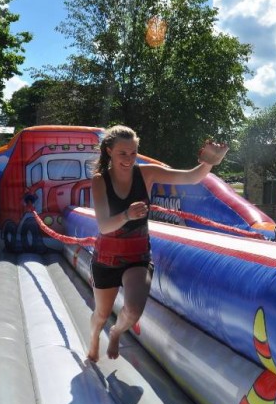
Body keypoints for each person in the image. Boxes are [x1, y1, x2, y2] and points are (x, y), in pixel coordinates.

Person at [87, 125, 228, 361]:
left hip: (137, 256)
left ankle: (116, 332)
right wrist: (126, 215)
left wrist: (209, 163)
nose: (129, 159)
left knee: (133, 310)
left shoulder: (146, 174)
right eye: (123, 153)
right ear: (109, 151)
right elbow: (103, 226)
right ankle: (94, 336)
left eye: (133, 153)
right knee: (101, 314)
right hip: (107, 257)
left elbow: (191, 177)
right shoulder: (100, 180)